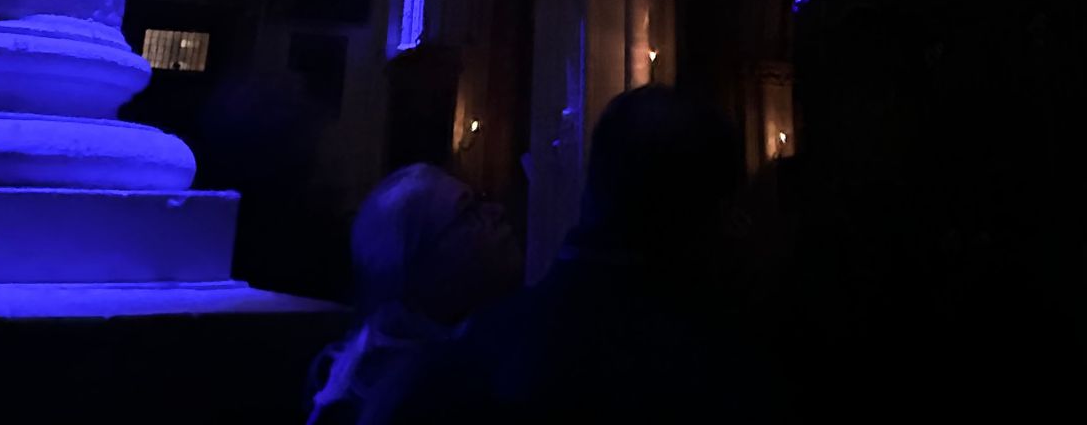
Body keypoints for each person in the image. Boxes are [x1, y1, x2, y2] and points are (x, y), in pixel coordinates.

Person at [366, 86, 782, 422]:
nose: (494, 212)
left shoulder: (475, 351)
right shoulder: (723, 367)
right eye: (467, 212)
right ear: (713, 213)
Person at [305, 163, 524, 424]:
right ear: (413, 267)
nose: (496, 211)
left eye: (481, 200)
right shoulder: (431, 394)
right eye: (468, 213)